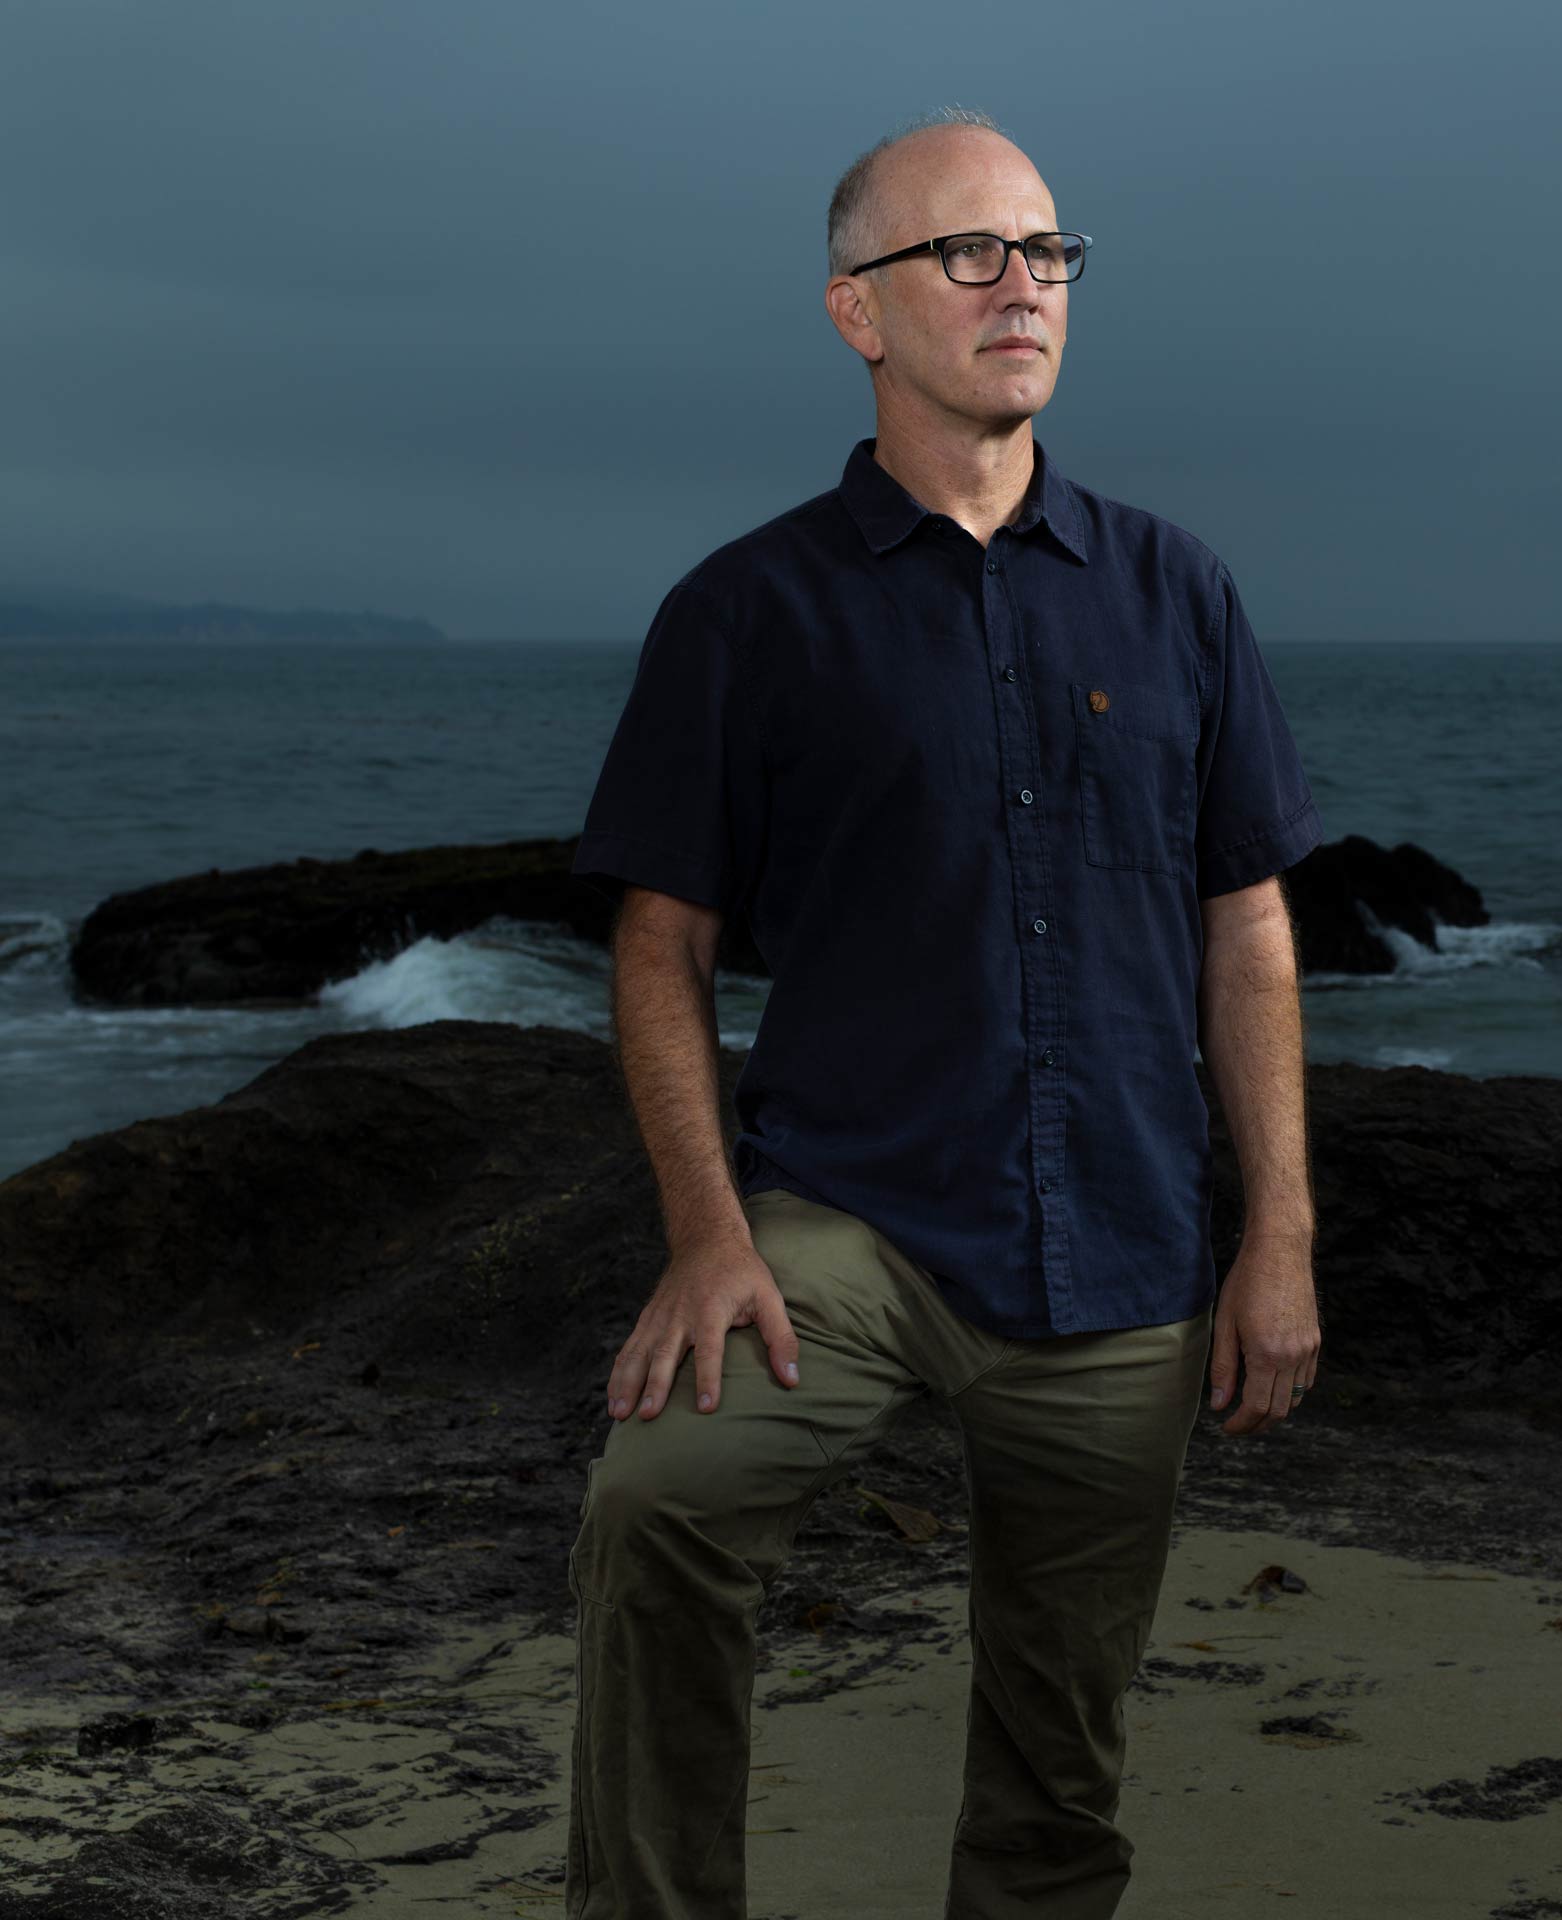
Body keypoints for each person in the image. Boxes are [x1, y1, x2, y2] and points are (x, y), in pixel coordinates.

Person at [563, 104, 1325, 1920]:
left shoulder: (1177, 592)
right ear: (857, 311)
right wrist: (704, 1235)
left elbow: (1249, 926)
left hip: (1126, 1247)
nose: (1023, 288)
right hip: (851, 1224)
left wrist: (1279, 1234)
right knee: (659, 1507)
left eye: (1049, 251)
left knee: (1063, 1751)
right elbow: (658, 945)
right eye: (967, 254)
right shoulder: (746, 611)